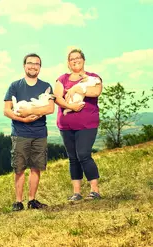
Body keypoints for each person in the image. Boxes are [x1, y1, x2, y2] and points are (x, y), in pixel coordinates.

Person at [3, 53, 55, 211]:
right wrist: (23, 119)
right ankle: (18, 202)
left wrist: (32, 109)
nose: (33, 66)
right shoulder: (15, 86)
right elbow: (7, 110)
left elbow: (50, 108)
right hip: (20, 133)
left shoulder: (46, 86)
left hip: (40, 133)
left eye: (37, 64)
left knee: (36, 167)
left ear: (40, 67)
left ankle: (32, 200)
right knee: (19, 168)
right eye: (30, 63)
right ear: (24, 65)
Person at [54, 48, 102, 201]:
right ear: (68, 63)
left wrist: (76, 88)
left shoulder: (93, 77)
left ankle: (95, 191)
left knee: (83, 155)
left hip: (87, 124)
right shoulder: (62, 79)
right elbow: (57, 98)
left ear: (83, 60)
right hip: (66, 125)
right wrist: (71, 107)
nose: (75, 60)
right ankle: (77, 193)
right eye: (72, 58)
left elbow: (95, 92)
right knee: (73, 157)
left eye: (78, 57)